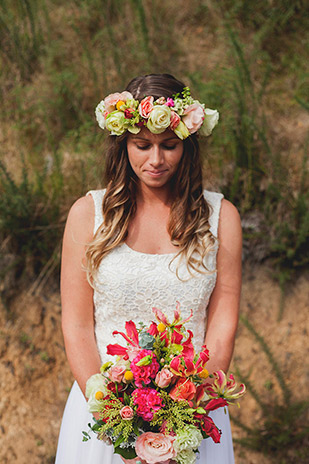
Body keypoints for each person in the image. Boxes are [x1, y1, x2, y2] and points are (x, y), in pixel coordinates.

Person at [55, 73, 242, 463]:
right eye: (142, 145)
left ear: (186, 147)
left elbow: (222, 324)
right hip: (106, 416)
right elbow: (76, 325)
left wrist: (186, 415)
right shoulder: (87, 214)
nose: (155, 160)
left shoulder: (222, 217)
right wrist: (113, 420)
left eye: (169, 146)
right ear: (123, 144)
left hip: (194, 415)